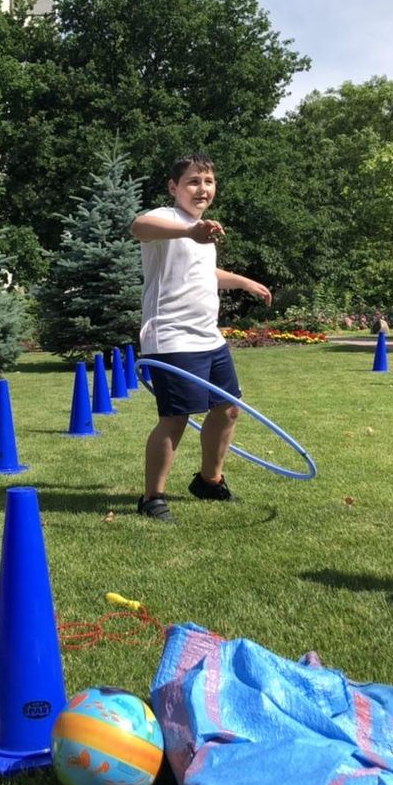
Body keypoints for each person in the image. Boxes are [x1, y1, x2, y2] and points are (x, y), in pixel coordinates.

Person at [131, 153, 272, 523]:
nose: (202, 189)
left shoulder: (203, 229)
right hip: (172, 337)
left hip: (208, 337)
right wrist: (189, 231)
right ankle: (152, 498)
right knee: (176, 418)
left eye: (208, 182)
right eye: (194, 181)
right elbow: (138, 227)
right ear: (174, 187)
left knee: (228, 409)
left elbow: (202, 272)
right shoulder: (168, 219)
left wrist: (242, 281)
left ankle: (209, 481)